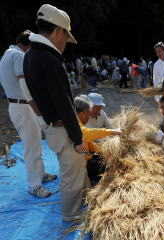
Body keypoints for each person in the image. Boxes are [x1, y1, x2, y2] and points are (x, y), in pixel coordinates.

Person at [24, 4, 89, 222]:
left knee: (76, 170)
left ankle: (86, 200)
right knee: (71, 175)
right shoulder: (49, 60)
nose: (65, 44)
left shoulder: (30, 56)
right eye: (65, 37)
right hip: (62, 128)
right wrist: (78, 138)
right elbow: (64, 103)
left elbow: (34, 96)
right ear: (59, 30)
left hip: (52, 126)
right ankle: (71, 215)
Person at [0, 30, 57, 198]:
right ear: (28, 45)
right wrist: (35, 104)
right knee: (32, 147)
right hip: (24, 106)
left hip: (17, 105)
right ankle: (34, 184)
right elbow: (23, 81)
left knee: (35, 143)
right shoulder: (19, 56)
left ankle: (40, 174)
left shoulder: (6, 55)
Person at [74, 96, 123, 184]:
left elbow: (89, 143)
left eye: (100, 108)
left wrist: (104, 150)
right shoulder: (76, 123)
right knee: (98, 165)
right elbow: (87, 134)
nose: (98, 111)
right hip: (81, 161)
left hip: (90, 153)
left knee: (105, 161)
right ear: (86, 111)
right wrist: (111, 132)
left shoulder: (99, 115)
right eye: (96, 108)